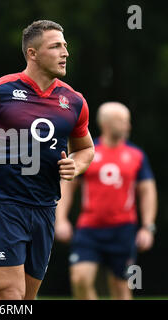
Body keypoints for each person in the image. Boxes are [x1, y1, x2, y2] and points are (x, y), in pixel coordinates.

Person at [0, 20, 94, 300]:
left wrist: (76, 165)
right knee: (9, 294)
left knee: (26, 298)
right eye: (55, 46)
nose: (65, 52)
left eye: (65, 46)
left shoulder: (74, 101)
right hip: (2, 204)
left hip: (44, 209)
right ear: (32, 53)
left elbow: (86, 149)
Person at [55, 102, 158, 300]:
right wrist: (61, 219)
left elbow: (148, 191)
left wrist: (148, 227)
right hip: (89, 229)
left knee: (122, 287)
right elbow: (67, 185)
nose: (128, 126)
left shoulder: (136, 155)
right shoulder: (87, 152)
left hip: (124, 230)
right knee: (79, 279)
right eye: (122, 121)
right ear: (106, 124)